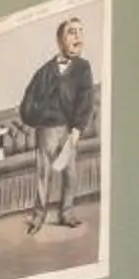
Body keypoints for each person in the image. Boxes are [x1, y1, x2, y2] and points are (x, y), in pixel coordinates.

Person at [20, 18, 98, 233]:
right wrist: (40, 119)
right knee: (43, 174)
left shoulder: (83, 68)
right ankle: (38, 217)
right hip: (46, 130)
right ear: (60, 39)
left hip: (69, 128)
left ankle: (67, 214)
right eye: (72, 32)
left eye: (80, 32)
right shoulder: (44, 71)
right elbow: (27, 105)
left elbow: (86, 100)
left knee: (70, 172)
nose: (78, 37)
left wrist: (76, 131)